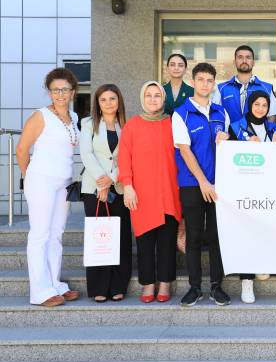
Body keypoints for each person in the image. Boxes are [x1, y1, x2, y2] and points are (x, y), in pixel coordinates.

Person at [16, 68, 81, 307]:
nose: (60, 94)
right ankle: (40, 292)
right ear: (49, 92)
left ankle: (55, 284)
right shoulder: (40, 116)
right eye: (55, 90)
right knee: (40, 235)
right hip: (41, 180)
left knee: (56, 234)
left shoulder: (74, 117)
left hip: (63, 182)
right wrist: (30, 178)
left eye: (64, 89)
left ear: (73, 92)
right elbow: (22, 149)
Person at [172, 63, 231, 307]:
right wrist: (203, 182)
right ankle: (195, 287)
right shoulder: (181, 113)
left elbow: (226, 146)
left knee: (217, 236)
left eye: (209, 80)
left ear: (213, 84)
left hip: (219, 185)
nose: (205, 84)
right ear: (193, 81)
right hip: (192, 184)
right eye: (201, 79)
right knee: (194, 236)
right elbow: (185, 151)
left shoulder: (221, 112)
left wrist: (226, 137)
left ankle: (217, 286)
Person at [119, 81, 182, 304]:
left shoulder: (173, 123)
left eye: (157, 95)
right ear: (142, 98)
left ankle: (164, 283)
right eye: (149, 95)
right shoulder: (132, 125)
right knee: (145, 242)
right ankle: (147, 284)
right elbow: (124, 158)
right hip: (141, 193)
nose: (153, 99)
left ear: (163, 99)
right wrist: (127, 186)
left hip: (169, 191)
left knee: (167, 243)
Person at [80, 84, 132, 303]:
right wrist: (102, 181)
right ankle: (98, 287)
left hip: (119, 187)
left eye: (112, 99)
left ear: (119, 101)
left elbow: (129, 156)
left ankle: (118, 285)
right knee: (99, 236)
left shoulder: (127, 125)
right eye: (103, 99)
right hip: (93, 188)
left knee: (121, 237)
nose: (108, 103)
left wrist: (111, 178)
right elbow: (86, 154)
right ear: (97, 103)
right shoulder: (88, 124)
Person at [228, 89, 276, 303]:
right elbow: (228, 155)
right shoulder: (235, 126)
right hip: (244, 190)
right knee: (245, 233)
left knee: (264, 229)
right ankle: (246, 281)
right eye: (256, 104)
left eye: (264, 105)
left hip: (268, 190)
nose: (260, 108)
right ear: (249, 105)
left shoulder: (274, 128)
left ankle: (261, 262)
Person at [214, 45, 276, 123]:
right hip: (229, 131)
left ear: (253, 62)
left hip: (258, 131)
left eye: (248, 57)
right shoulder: (222, 89)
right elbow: (214, 116)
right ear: (234, 62)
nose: (244, 61)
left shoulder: (266, 88)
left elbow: (271, 117)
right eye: (240, 57)